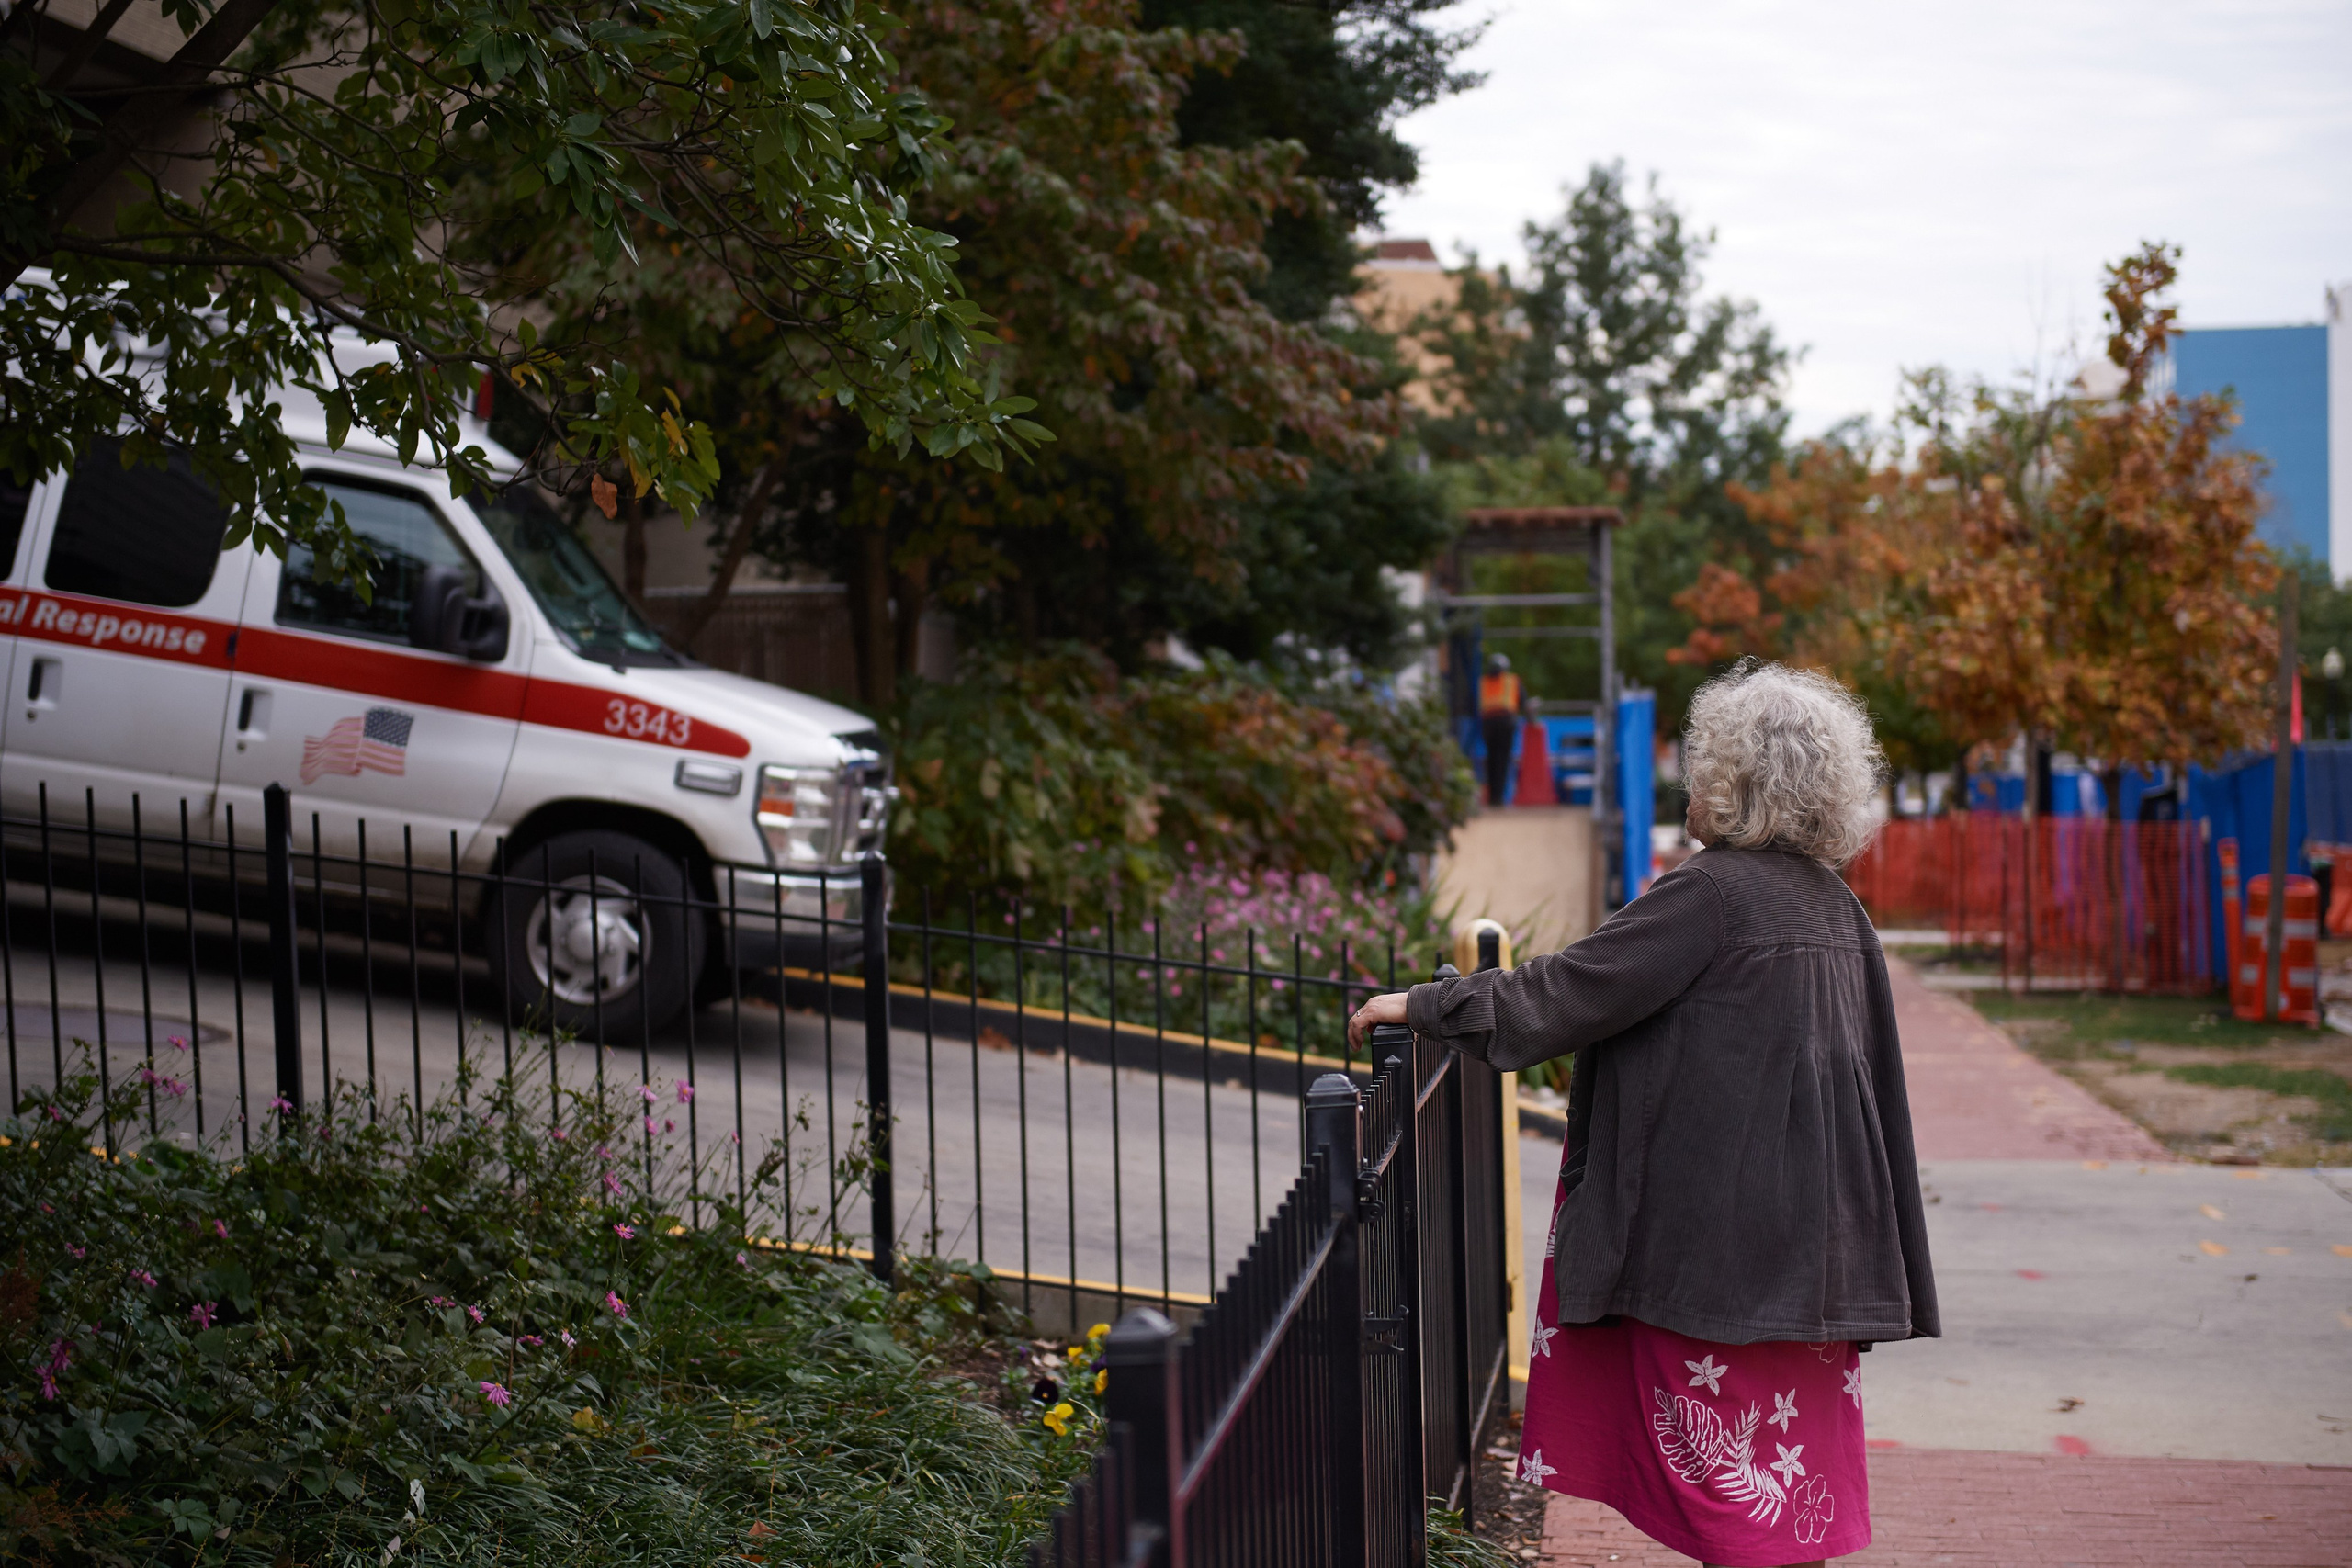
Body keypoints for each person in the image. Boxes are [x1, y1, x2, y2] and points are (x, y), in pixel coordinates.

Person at [1351, 660, 1938, 1568]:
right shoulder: (1837, 908)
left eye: (1703, 767)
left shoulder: (1710, 894)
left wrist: (1425, 1006)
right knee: (1784, 1507)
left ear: (1735, 784)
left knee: (1735, 1506)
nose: (1689, 784)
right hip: (1816, 1264)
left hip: (1719, 1266)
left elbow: (1572, 990)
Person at [1479, 652, 1524, 807]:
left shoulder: (1482, 682)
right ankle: (1497, 798)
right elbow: (1523, 702)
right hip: (1505, 723)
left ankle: (1493, 798)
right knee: (1502, 761)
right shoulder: (1511, 681)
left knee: (1492, 760)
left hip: (1489, 724)